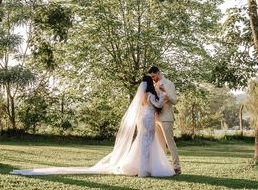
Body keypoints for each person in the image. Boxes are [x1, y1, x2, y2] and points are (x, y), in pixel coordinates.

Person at [11, 74, 175, 178]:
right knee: (147, 141)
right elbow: (158, 104)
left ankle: (141, 168)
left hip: (143, 118)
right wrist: (162, 93)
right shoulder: (151, 95)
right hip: (148, 119)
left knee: (142, 141)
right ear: (148, 85)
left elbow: (147, 106)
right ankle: (145, 170)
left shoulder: (141, 96)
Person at [148, 66, 181, 175]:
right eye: (151, 77)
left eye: (153, 76)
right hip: (156, 118)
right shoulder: (154, 84)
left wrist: (165, 92)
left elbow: (174, 100)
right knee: (160, 144)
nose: (153, 78)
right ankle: (163, 167)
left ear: (158, 73)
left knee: (170, 143)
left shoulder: (168, 83)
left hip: (166, 117)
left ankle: (177, 167)